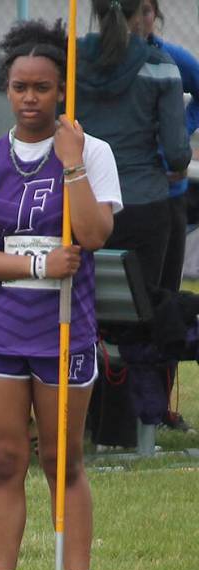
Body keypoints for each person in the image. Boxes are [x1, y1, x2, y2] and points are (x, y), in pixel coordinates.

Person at [0, 19, 122, 570]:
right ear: (7, 89)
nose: (30, 98)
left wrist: (72, 164)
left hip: (64, 332)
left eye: (43, 88)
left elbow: (95, 233)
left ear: (60, 92)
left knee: (62, 459)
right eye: (21, 87)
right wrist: (38, 266)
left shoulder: (91, 152)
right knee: (5, 459)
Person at [75, 0, 191, 447]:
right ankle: (128, 431)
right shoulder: (161, 67)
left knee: (85, 313)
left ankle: (83, 420)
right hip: (144, 206)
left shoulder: (68, 59)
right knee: (141, 316)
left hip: (80, 200)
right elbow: (178, 153)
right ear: (141, 14)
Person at [137, 0, 199, 430]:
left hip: (167, 197)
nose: (136, 19)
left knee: (164, 302)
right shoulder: (95, 60)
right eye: (126, 9)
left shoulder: (170, 59)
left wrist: (180, 131)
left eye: (144, 9)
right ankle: (105, 408)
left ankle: (157, 408)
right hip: (115, 202)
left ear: (154, 14)